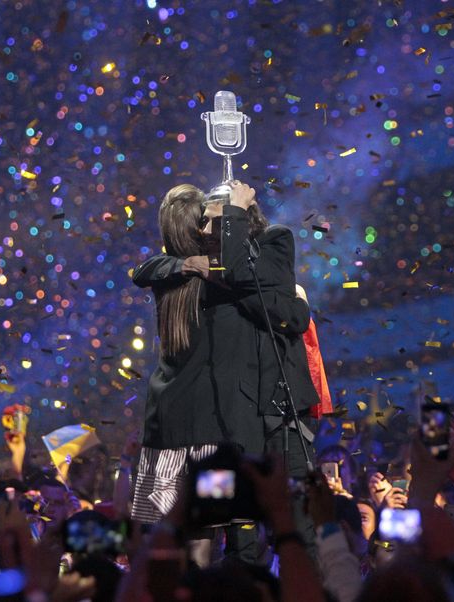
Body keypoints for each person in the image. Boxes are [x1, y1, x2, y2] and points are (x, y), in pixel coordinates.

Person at [130, 182, 319, 558]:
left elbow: (142, 270)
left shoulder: (174, 282)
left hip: (169, 430)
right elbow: (288, 312)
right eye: (202, 223)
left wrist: (186, 263)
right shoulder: (218, 280)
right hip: (215, 432)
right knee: (234, 540)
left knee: (179, 542)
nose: (205, 231)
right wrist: (298, 303)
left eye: (211, 222)